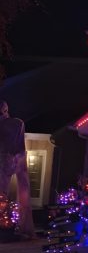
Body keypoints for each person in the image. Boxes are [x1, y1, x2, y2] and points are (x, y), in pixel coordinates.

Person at [0, 100, 34, 238]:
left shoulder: (16, 123)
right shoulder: (17, 123)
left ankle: (15, 224)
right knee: (10, 191)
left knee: (7, 192)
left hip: (11, 157)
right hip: (14, 156)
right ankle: (14, 224)